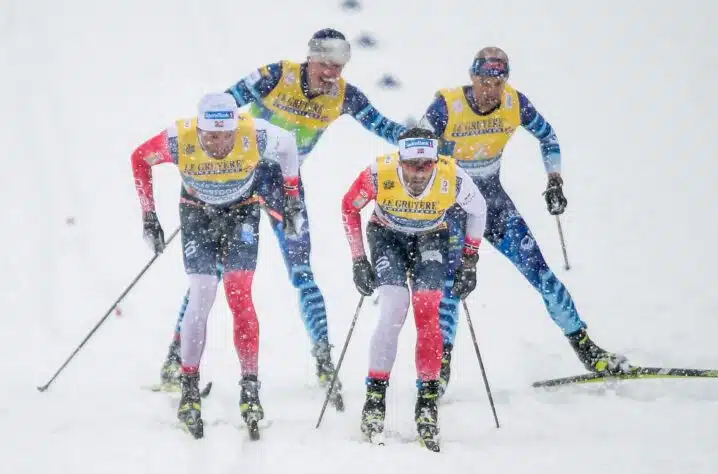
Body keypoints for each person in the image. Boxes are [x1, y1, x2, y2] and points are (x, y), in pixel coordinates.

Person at [158, 29, 408, 409]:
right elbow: (220, 109)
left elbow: (384, 127)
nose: (331, 74)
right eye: (325, 64)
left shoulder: (345, 96)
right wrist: (205, 167)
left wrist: (424, 140)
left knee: (301, 270)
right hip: (238, 178)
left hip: (283, 186)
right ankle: (176, 357)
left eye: (339, 66)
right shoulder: (275, 76)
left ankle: (323, 358)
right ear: (310, 58)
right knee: (210, 275)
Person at [418, 47, 630, 397]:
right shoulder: (447, 105)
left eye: (498, 83)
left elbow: (548, 136)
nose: (490, 90)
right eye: (484, 82)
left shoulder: (514, 103)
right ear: (472, 78)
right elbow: (414, 151)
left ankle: (588, 350)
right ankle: (440, 370)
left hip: (493, 205)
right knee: (452, 288)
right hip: (451, 209)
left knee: (542, 274)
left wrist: (554, 180)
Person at [131, 92, 301, 439]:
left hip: (242, 211)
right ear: (199, 129)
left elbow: (288, 147)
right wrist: (149, 216)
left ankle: (250, 387)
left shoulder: (256, 133)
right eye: (210, 137)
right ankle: (189, 387)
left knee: (239, 294)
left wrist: (292, 198)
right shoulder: (178, 138)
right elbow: (139, 158)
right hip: (197, 213)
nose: (219, 144)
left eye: (226, 136)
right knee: (203, 292)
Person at [340, 128, 487, 451]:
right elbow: (349, 207)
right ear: (400, 160)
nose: (419, 173)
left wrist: (470, 261)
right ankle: (374, 399)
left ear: (435, 160)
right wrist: (358, 259)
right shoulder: (379, 173)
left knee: (427, 309)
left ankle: (427, 403)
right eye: (411, 165)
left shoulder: (452, 176)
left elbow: (478, 209)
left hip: (432, 236)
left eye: (426, 165)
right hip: (387, 236)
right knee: (394, 306)